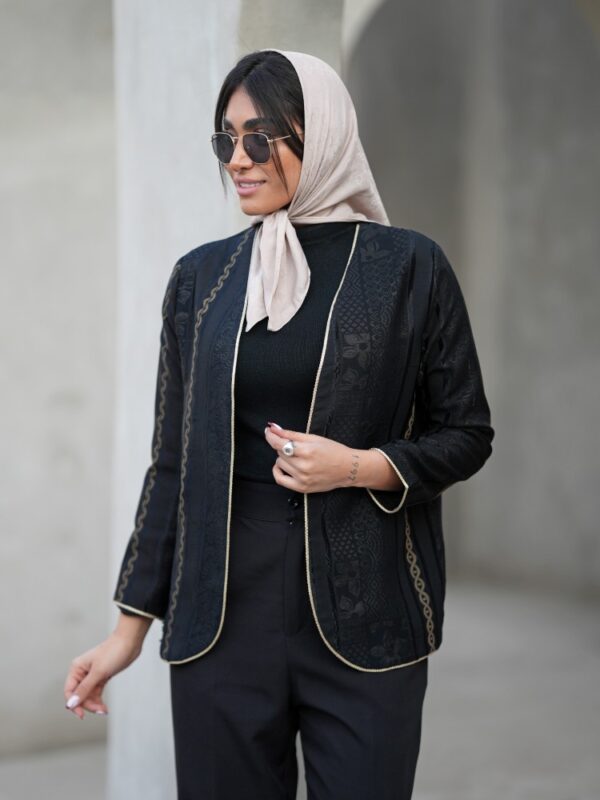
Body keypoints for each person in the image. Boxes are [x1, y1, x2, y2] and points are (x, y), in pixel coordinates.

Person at [64, 49, 494, 799]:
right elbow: (173, 463)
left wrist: (358, 466)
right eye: (226, 139)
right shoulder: (203, 278)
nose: (239, 159)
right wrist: (128, 630)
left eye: (259, 138)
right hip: (220, 622)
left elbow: (466, 433)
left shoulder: (409, 268)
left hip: (368, 616)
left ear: (318, 135)